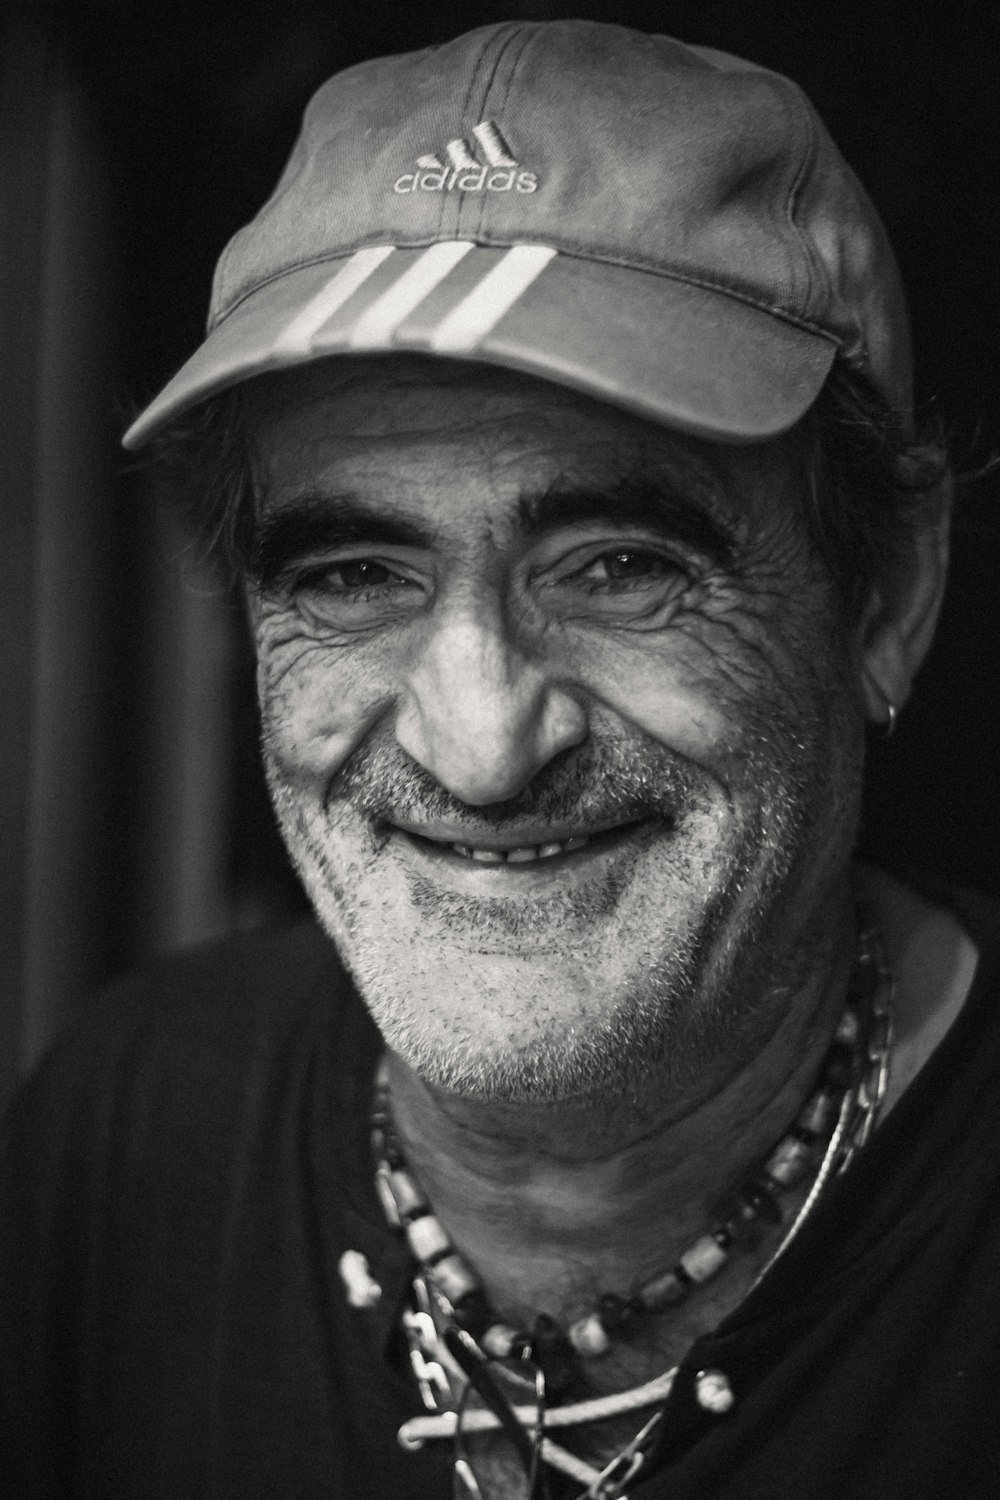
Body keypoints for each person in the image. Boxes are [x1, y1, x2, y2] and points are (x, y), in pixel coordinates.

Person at [2, 18, 997, 1500]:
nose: (478, 748)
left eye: (619, 566)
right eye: (351, 576)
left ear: (887, 595)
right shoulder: (129, 1126)